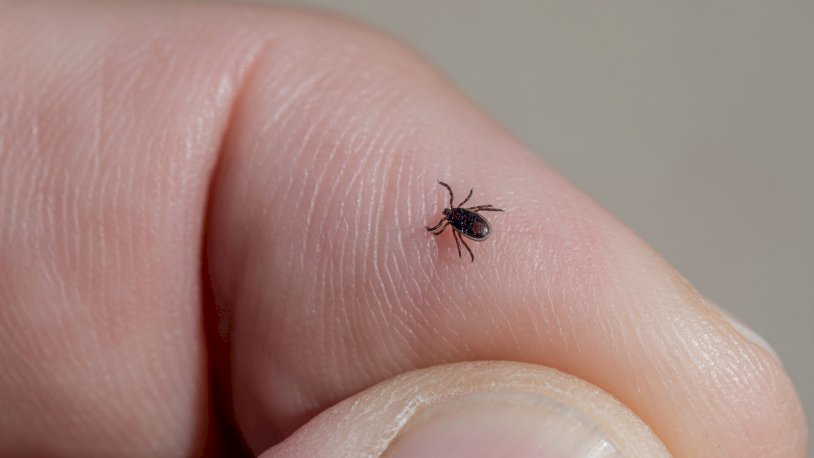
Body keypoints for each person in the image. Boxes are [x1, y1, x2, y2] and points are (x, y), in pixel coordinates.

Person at [0, 2, 806, 457]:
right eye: (457, 219)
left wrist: (459, 233)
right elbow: (468, 218)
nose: (457, 219)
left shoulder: (458, 224)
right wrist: (462, 233)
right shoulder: (460, 223)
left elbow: (465, 219)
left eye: (457, 217)